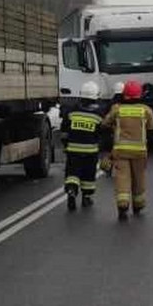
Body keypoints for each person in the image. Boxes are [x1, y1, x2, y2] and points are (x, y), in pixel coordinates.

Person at [102, 80, 153, 221]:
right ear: (140, 94)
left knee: (122, 178)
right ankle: (138, 204)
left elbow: (104, 124)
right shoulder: (146, 110)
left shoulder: (117, 109)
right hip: (140, 151)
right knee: (139, 178)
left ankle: (123, 205)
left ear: (124, 94)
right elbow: (152, 131)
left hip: (120, 151)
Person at [61, 81, 103, 211]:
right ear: (95, 96)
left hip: (73, 149)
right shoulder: (98, 115)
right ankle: (86, 198)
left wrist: (66, 145)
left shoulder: (71, 112)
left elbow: (64, 132)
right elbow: (101, 134)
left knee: (72, 172)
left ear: (81, 95)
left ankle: (72, 191)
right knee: (88, 174)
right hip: (91, 151)